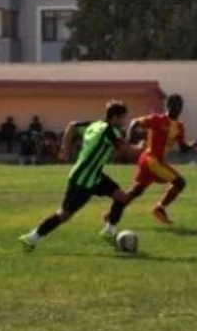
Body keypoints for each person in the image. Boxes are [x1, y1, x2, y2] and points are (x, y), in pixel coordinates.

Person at [19, 101, 141, 251]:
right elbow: (126, 152)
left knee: (121, 197)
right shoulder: (110, 131)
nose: (124, 121)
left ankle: (109, 231)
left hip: (94, 176)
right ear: (114, 117)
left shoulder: (94, 125)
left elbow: (72, 126)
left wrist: (65, 150)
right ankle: (32, 237)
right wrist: (144, 147)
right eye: (123, 118)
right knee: (64, 214)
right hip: (83, 181)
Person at [124, 94, 197, 225]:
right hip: (150, 159)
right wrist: (131, 136)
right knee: (180, 182)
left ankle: (111, 215)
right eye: (174, 105)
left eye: (180, 106)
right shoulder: (157, 119)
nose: (177, 109)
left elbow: (183, 148)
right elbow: (135, 122)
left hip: (156, 162)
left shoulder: (179, 126)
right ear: (168, 106)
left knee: (137, 191)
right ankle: (159, 208)